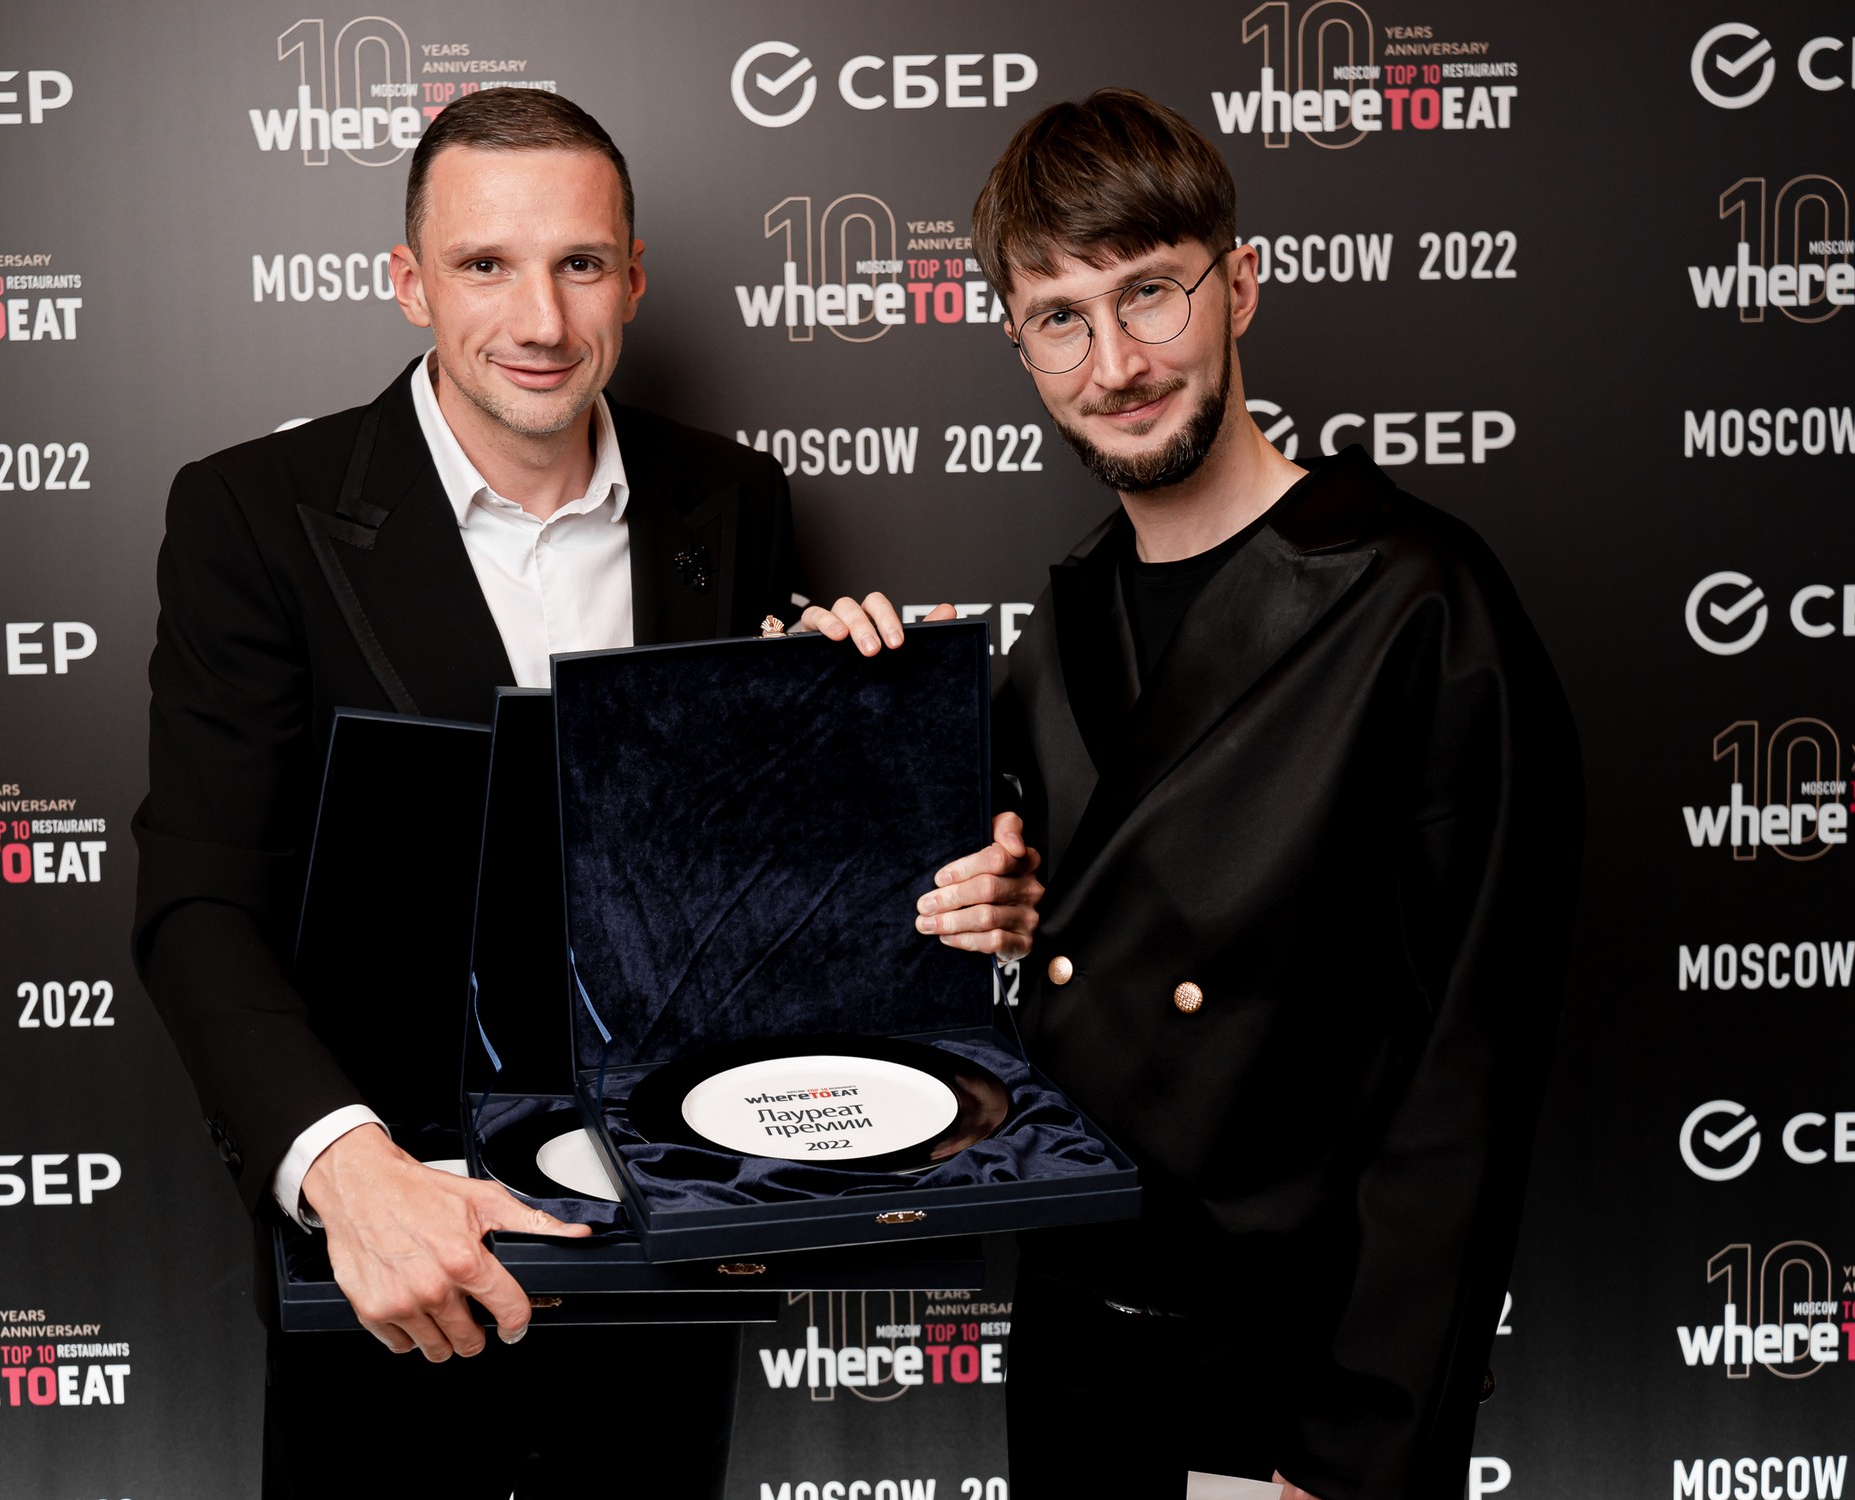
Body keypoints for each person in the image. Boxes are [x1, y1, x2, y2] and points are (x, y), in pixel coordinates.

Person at [136, 86, 1035, 1500]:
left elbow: (742, 890)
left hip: (667, 1241)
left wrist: (837, 750)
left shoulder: (730, 501)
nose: (541, 319)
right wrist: (349, 1177)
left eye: (579, 263)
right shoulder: (251, 516)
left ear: (633, 278)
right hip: (402, 1249)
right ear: (409, 283)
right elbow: (198, 904)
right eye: (485, 264)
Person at [940, 89, 1584, 1500]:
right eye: (1059, 318)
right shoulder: (1058, 629)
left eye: (1149, 293)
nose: (1115, 363)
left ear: (1237, 285)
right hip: (1073, 1360)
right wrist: (844, 724)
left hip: (1292, 1387)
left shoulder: (1418, 601)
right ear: (1019, 345)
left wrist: (1360, 1445)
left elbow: (1467, 1074)